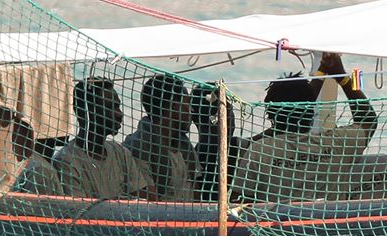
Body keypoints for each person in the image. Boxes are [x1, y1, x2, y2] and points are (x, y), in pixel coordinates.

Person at [232, 53, 378, 202]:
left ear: (270, 113)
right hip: (328, 223)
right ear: (311, 111)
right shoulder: (337, 143)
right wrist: (343, 79)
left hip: (274, 224)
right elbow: (369, 120)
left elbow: (239, 201)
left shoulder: (258, 152)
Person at [54, 78, 154, 199]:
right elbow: (79, 211)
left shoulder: (121, 153)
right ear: (87, 112)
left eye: (118, 106)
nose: (120, 114)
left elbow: (143, 201)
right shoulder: (67, 161)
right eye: (111, 106)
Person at [123, 74, 198, 201]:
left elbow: (196, 196)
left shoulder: (185, 148)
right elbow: (149, 200)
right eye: (187, 103)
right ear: (175, 106)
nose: (191, 111)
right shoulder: (140, 146)